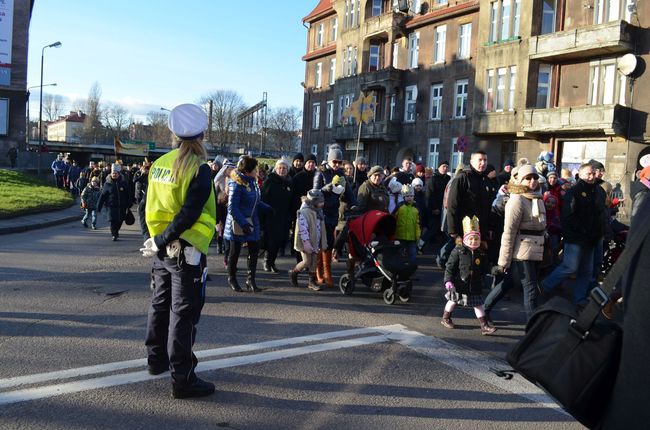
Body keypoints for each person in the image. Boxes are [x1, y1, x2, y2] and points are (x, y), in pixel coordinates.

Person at [141, 103, 216, 399]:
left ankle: (155, 359)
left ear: (173, 133)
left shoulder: (160, 163)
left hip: (161, 247)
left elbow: (147, 204)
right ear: (202, 134)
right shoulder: (199, 168)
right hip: (186, 250)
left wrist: (154, 240)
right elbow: (188, 214)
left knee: (160, 304)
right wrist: (164, 240)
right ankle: (183, 378)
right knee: (183, 314)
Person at [485, 164, 546, 321]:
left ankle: (484, 310)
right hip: (522, 249)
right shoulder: (517, 200)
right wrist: (504, 260)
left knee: (509, 283)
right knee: (530, 288)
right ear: (520, 180)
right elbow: (509, 231)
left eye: (534, 177)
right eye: (528, 178)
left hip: (536, 248)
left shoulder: (537, 197)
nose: (532, 181)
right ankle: (532, 327)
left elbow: (540, 225)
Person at [540, 163, 606, 305]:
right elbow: (568, 216)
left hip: (592, 238)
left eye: (593, 173)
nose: (592, 176)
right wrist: (580, 230)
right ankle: (545, 286)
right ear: (580, 174)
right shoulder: (574, 191)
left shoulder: (599, 191)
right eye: (588, 173)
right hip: (576, 237)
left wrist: (603, 232)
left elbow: (602, 214)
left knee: (586, 272)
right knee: (570, 267)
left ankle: (579, 299)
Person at [440, 216, 496, 335]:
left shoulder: (480, 253)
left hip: (474, 284)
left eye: (476, 239)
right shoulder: (459, 250)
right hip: (460, 283)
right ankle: (446, 318)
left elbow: (485, 267)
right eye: (471, 238)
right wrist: (448, 281)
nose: (473, 241)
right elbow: (450, 266)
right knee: (452, 301)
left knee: (478, 305)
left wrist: (494, 269)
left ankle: (484, 326)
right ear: (465, 239)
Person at [224, 155, 271, 292]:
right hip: (238, 223)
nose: (257, 172)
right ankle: (232, 278)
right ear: (247, 171)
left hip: (252, 221)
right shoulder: (236, 183)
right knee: (235, 252)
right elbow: (232, 208)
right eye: (255, 169)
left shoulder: (252, 182)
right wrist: (243, 223)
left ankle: (251, 280)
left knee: (254, 250)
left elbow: (255, 201)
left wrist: (266, 208)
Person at [314, 144, 356, 288]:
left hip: (333, 212)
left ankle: (327, 270)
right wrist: (325, 189)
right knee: (321, 243)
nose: (337, 165)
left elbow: (349, 192)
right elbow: (314, 193)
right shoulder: (321, 173)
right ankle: (320, 272)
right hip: (321, 211)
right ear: (329, 160)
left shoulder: (342, 174)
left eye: (339, 162)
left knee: (330, 242)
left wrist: (354, 204)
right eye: (335, 162)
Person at [446, 150, 492, 240]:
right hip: (465, 228)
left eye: (485, 160)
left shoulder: (485, 179)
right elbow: (452, 204)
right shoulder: (462, 178)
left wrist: (489, 227)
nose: (483, 163)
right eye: (480, 160)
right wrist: (453, 230)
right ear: (471, 161)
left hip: (481, 229)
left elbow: (488, 206)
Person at [289, 189, 328, 291]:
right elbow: (303, 229)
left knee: (314, 261)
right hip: (306, 241)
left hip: (315, 240)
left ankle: (311, 282)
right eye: (320, 202)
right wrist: (306, 242)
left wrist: (321, 241)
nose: (322, 203)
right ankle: (294, 272)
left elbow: (320, 227)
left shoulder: (318, 211)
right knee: (307, 261)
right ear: (314, 202)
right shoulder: (303, 213)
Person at [261, 158, 292, 273]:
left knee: (279, 241)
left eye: (284, 168)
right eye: (280, 168)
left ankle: (272, 262)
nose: (282, 170)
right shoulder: (269, 181)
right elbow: (263, 198)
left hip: (283, 217)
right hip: (270, 216)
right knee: (270, 241)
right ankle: (266, 261)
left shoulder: (288, 182)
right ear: (276, 169)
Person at [97, 163, 131, 241]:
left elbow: (128, 194)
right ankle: (114, 234)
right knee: (113, 221)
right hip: (111, 206)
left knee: (120, 221)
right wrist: (99, 206)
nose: (114, 175)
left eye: (116, 173)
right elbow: (102, 196)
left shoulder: (123, 183)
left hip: (121, 206)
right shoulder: (107, 184)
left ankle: (116, 231)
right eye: (113, 173)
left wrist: (129, 203)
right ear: (111, 174)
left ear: (119, 174)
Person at [394, 184, 421, 266]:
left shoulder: (416, 208)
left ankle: (411, 267)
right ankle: (400, 266)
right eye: (407, 196)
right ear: (404, 197)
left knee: (412, 253)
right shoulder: (400, 207)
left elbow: (418, 222)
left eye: (411, 196)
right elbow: (394, 217)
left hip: (412, 236)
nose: (409, 198)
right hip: (400, 235)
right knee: (400, 252)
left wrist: (418, 235)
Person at [425, 161, 450, 245]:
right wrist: (434, 208)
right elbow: (430, 195)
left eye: (447, 167)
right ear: (439, 167)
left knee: (442, 227)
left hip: (445, 207)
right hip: (435, 207)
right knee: (433, 228)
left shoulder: (448, 179)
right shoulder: (433, 179)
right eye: (443, 166)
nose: (445, 168)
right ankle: (424, 243)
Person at [133, 162, 150, 239]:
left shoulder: (149, 175)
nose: (146, 171)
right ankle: (142, 221)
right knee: (141, 209)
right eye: (144, 169)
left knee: (145, 210)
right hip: (139, 194)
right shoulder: (138, 173)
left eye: (147, 170)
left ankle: (145, 222)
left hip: (147, 194)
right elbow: (135, 180)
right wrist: (142, 174)